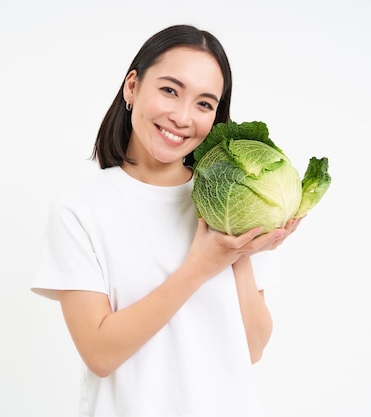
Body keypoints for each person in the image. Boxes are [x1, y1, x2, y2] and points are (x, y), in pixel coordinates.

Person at [31, 24, 303, 417]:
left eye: (204, 104)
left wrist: (239, 250)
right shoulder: (81, 209)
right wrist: (200, 267)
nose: (182, 117)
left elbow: (253, 348)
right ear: (132, 87)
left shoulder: (234, 199)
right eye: (170, 90)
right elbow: (100, 353)